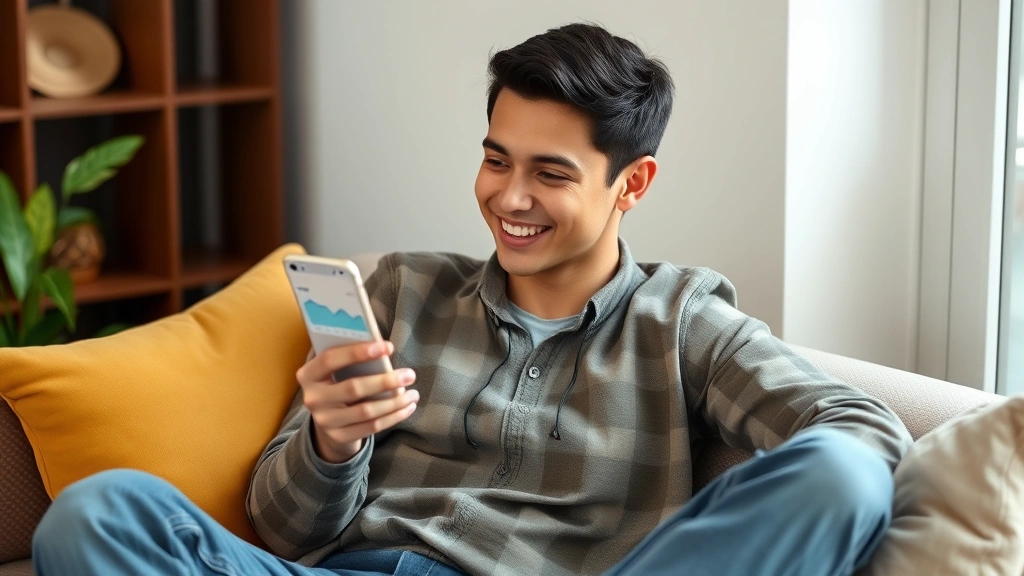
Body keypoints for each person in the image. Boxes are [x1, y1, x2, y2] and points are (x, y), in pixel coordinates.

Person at [32, 23, 913, 576]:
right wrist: (334, 443)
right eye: (497, 158)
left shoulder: (686, 323)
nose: (509, 196)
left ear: (632, 183)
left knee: (839, 473)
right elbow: (282, 530)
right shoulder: (401, 289)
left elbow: (864, 436)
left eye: (550, 172)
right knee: (98, 513)